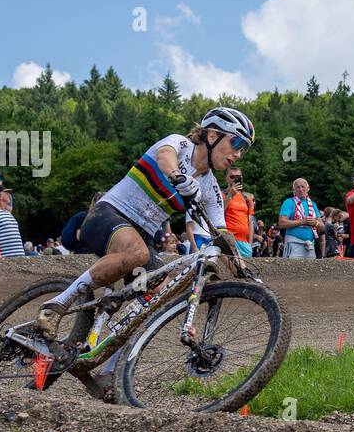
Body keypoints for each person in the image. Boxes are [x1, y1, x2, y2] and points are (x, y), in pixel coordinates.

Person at [33, 107, 254, 340]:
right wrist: (177, 176)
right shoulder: (179, 144)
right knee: (137, 252)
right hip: (108, 216)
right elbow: (164, 156)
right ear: (212, 135)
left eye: (244, 149)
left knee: (162, 293)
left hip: (142, 240)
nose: (238, 154)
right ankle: (55, 305)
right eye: (236, 143)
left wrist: (242, 268)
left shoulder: (210, 187)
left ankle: (109, 367)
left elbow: (221, 231)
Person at [277, 178, 323, 259]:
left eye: (303, 186)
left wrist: (315, 223)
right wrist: (301, 222)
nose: (300, 189)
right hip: (294, 243)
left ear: (308, 188)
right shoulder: (289, 202)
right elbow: (281, 223)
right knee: (292, 269)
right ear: (294, 190)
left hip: (310, 245)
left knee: (310, 270)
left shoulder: (313, 204)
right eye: (297, 187)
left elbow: (322, 227)